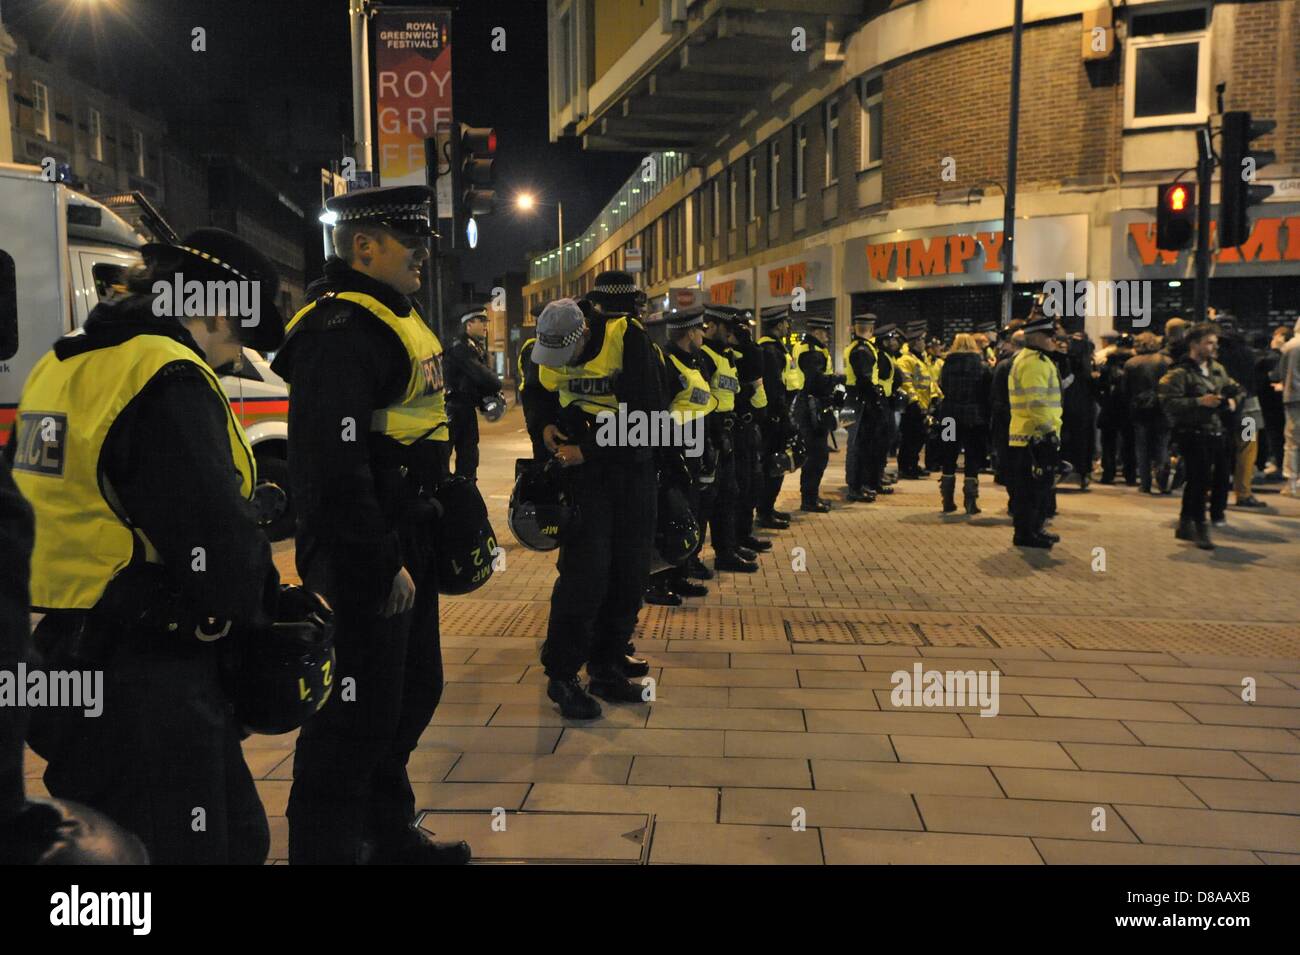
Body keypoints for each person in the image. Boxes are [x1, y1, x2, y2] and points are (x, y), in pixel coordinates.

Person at [7, 228, 284, 864]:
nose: (236, 357)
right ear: (214, 308)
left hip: (62, 652)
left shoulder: (63, 362)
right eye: (238, 335)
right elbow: (212, 536)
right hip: (150, 669)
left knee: (131, 839)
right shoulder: (164, 374)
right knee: (187, 847)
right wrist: (263, 610)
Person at [271, 185, 469, 865]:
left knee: (411, 691)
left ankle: (386, 831)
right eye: (408, 242)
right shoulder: (340, 331)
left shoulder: (392, 314)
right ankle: (324, 850)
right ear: (363, 246)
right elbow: (331, 465)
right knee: (351, 716)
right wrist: (378, 560)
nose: (422, 255)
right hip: (365, 542)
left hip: (402, 529)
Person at [528, 276, 664, 720]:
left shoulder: (628, 339)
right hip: (583, 478)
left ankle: (606, 665)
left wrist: (586, 450)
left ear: (585, 331)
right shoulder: (548, 343)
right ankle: (563, 675)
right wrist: (543, 427)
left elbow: (649, 417)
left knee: (627, 573)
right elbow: (538, 393)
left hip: (627, 472)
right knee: (585, 575)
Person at [645, 306, 715, 605]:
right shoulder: (667, 363)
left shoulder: (695, 360)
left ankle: (679, 574)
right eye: (700, 330)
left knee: (693, 512)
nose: (703, 334)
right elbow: (661, 412)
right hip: (676, 450)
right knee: (670, 517)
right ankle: (657, 583)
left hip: (697, 446)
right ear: (690, 332)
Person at [1158, 322, 1239, 548]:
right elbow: (1167, 403)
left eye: (1215, 342)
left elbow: (1233, 387)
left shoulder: (1216, 369)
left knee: (1203, 478)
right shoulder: (1179, 372)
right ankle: (1199, 525)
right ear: (1194, 344)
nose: (1214, 347)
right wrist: (1199, 402)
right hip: (1191, 432)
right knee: (1199, 479)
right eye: (1209, 342)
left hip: (1215, 430)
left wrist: (1231, 400)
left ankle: (1186, 524)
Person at [699, 305, 760, 569]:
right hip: (711, 435)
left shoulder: (727, 356)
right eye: (728, 329)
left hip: (728, 432)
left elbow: (732, 392)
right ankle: (692, 559)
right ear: (712, 327)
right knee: (705, 500)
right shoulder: (704, 357)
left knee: (728, 495)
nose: (732, 334)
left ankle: (727, 551)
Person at [1006, 310, 1064, 549]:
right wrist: (1048, 432)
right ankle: (1028, 533)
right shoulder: (1034, 363)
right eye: (1049, 334)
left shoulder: (1030, 359)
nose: (1054, 339)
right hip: (1035, 436)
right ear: (1035, 336)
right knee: (1033, 490)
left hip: (1027, 435)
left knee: (1031, 489)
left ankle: (1031, 530)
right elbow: (1037, 402)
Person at [444, 304, 503, 482]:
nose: (486, 326)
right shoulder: (461, 349)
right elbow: (487, 379)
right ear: (468, 325)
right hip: (452, 409)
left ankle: (465, 497)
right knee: (443, 459)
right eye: (481, 321)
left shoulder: (474, 348)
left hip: (465, 408)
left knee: (469, 460)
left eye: (486, 321)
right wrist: (494, 388)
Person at [936, 334, 992, 514]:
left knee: (948, 454)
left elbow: (942, 386)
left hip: (949, 416)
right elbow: (987, 392)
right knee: (972, 455)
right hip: (974, 417)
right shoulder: (982, 366)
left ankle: (947, 500)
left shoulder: (946, 365)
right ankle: (970, 501)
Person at [1215, 318, 1264, 509]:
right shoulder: (1246, 350)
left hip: (1223, 409)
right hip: (1249, 408)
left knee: (1220, 450)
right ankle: (1243, 493)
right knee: (1246, 449)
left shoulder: (1216, 352)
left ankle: (1212, 490)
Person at [756, 308, 796, 529]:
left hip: (775, 417)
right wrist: (782, 418)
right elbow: (774, 390)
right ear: (778, 325)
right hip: (774, 420)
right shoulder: (770, 351)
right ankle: (764, 511)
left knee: (773, 465)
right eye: (785, 323)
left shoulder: (772, 348)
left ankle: (768, 508)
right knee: (774, 464)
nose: (788, 327)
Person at [792, 316, 837, 511]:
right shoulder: (812, 353)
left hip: (809, 406)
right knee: (817, 455)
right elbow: (815, 381)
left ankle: (811, 497)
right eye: (826, 333)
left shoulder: (808, 349)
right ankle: (809, 500)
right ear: (817, 332)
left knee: (816, 454)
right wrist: (833, 381)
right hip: (812, 408)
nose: (827, 337)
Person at [1122, 332, 1172, 494]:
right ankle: (1163, 480)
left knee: (1142, 448)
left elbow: (1126, 390)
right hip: (1163, 408)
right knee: (1162, 446)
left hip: (1140, 409)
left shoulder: (1131, 364)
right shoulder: (1167, 362)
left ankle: (1145, 483)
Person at [844, 314, 880, 502]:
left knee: (854, 444)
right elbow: (865, 379)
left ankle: (856, 485)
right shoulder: (862, 350)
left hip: (851, 400)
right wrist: (876, 398)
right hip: (860, 402)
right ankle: (855, 487)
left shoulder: (854, 347)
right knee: (858, 445)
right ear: (871, 329)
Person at [895, 332, 938, 479]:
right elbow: (906, 382)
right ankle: (906, 467)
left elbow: (929, 380)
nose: (924, 344)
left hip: (923, 403)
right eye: (921, 340)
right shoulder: (906, 360)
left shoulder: (921, 358)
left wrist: (935, 396)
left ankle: (913, 464)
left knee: (919, 437)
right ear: (915, 342)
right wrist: (914, 402)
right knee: (910, 438)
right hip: (912, 405)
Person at [1097, 333, 1136, 485]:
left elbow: (1100, 385)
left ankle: (1108, 473)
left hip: (1110, 406)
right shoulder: (1133, 363)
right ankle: (1130, 475)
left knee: (1108, 443)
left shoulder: (1109, 362)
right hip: (1128, 407)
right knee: (1129, 444)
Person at [989, 323, 1025, 487]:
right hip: (1018, 416)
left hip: (1005, 414)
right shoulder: (1017, 363)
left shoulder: (1005, 363)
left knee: (1005, 449)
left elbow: (995, 392)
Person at [1258, 325, 1292, 480]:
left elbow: (1272, 375)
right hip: (1266, 406)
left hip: (1254, 407)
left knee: (1250, 438)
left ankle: (1252, 467)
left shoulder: (1274, 356)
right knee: (1252, 439)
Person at [1274, 317, 1300, 498]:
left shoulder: (1289, 346)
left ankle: (1290, 482)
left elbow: (1279, 373)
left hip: (1292, 397)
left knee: (1292, 442)